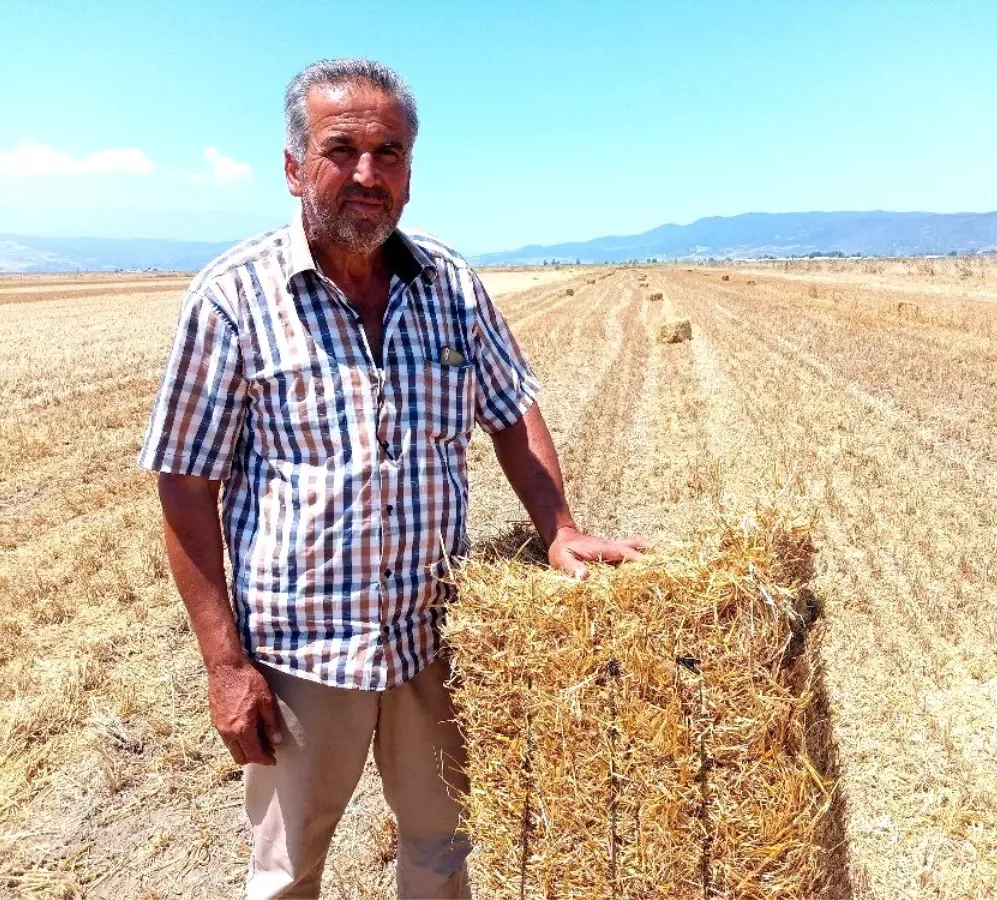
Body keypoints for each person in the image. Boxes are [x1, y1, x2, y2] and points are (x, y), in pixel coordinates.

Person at [138, 58, 647, 899]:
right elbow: (184, 484)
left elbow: (512, 411)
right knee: (286, 871)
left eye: (391, 152)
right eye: (343, 150)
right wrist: (226, 665)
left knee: (443, 850)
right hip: (299, 653)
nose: (368, 174)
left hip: (431, 642)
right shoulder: (231, 298)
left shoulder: (450, 286)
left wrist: (557, 526)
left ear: (411, 172)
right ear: (295, 166)